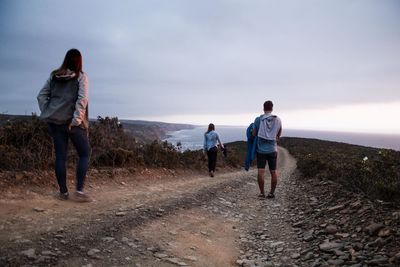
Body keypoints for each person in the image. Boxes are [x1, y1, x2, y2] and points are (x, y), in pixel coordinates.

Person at [37, 48, 91, 202]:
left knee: (61, 156)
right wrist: (76, 121)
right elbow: (82, 100)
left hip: (55, 122)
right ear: (80, 61)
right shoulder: (81, 77)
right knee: (85, 153)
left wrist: (48, 112)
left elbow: (41, 96)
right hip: (72, 123)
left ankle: (63, 193)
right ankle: (79, 192)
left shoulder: (55, 76)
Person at [252, 100, 282, 199]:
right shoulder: (278, 120)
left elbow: (254, 134)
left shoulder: (258, 120)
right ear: (272, 108)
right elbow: (278, 135)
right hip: (273, 149)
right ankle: (272, 193)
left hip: (261, 150)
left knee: (261, 171)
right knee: (273, 171)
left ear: (263, 108)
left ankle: (262, 193)